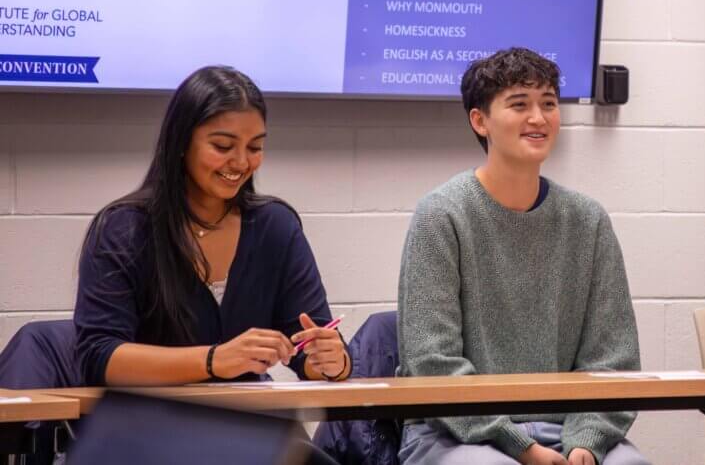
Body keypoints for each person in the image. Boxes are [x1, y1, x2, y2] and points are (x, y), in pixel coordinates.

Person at [397, 47, 649, 465]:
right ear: (480, 120)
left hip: (567, 428)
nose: (539, 117)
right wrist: (522, 448)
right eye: (519, 105)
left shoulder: (588, 220)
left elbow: (613, 359)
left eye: (548, 103)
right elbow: (432, 362)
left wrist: (587, 441)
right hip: (456, 433)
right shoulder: (440, 216)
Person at [75, 66, 350, 388]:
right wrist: (214, 360)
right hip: (148, 425)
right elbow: (98, 357)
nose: (241, 162)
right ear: (181, 143)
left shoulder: (275, 226)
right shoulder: (123, 230)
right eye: (222, 146)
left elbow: (309, 345)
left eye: (255, 147)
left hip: (250, 425)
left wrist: (334, 362)